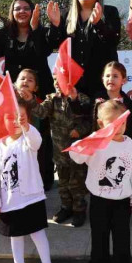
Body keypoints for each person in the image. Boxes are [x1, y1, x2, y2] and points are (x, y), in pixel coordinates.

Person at [70, 100, 132, 263]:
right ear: (101, 123)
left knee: (121, 238)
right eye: (112, 123)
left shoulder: (130, 145)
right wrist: (90, 139)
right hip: (99, 200)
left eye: (122, 123)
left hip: (122, 201)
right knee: (99, 237)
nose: (118, 128)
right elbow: (76, 156)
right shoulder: (96, 143)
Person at [0, 101, 58, 263]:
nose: (16, 121)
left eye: (21, 117)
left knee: (37, 233)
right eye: (11, 117)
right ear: (2, 121)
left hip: (31, 198)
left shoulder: (28, 139)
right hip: (8, 201)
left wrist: (27, 127)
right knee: (15, 236)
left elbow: (37, 141)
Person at [23, 78, 93, 227]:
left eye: (59, 80)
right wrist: (31, 100)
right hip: (59, 151)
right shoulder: (51, 99)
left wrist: (79, 130)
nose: (56, 83)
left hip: (77, 151)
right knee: (63, 183)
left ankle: (79, 210)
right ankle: (66, 207)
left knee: (77, 183)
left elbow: (90, 121)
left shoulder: (82, 98)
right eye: (54, 79)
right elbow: (41, 113)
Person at [49, 0, 122, 99]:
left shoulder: (110, 12)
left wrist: (98, 24)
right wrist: (55, 26)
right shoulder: (65, 14)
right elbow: (54, 44)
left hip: (102, 84)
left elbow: (113, 41)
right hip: (74, 86)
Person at [0, 0, 60, 99]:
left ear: (32, 11)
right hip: (12, 91)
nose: (22, 11)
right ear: (12, 13)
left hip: (40, 92)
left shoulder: (43, 32)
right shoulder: (4, 34)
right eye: (17, 9)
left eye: (26, 8)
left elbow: (46, 50)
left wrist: (39, 28)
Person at [14, 69, 55, 189]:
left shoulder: (39, 103)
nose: (25, 81)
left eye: (30, 80)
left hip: (33, 145)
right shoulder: (10, 99)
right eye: (22, 79)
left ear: (35, 88)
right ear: (15, 83)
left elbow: (42, 124)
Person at [94, 61, 132, 149]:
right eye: (107, 76)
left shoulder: (129, 105)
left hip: (121, 149)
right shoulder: (96, 99)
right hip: (101, 148)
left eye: (115, 76)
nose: (110, 79)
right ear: (102, 78)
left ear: (124, 80)